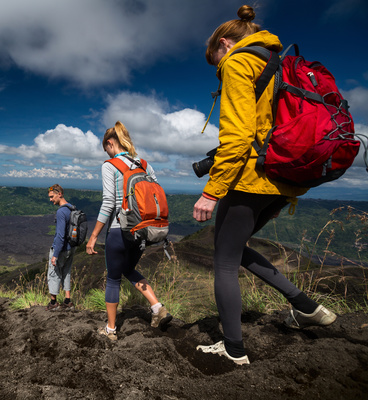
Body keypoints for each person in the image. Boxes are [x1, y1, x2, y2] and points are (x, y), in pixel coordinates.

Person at [193, 5, 336, 365]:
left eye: (216, 62)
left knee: (224, 261)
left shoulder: (239, 63)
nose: (218, 72)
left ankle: (233, 349)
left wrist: (212, 190)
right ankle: (306, 307)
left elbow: (238, 136)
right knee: (235, 248)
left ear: (224, 44)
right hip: (284, 180)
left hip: (252, 178)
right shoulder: (278, 62)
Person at [86, 121, 172, 340]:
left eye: (105, 148)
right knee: (128, 269)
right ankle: (157, 308)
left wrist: (94, 236)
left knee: (114, 279)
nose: (106, 152)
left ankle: (111, 330)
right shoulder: (145, 165)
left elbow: (108, 204)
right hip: (143, 231)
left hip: (119, 230)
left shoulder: (109, 165)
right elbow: (156, 196)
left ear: (110, 143)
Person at [45, 184, 77, 310]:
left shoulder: (61, 212)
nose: (50, 199)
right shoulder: (72, 208)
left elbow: (60, 236)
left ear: (60, 194)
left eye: (52, 197)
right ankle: (68, 301)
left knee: (53, 273)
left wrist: (55, 255)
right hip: (71, 248)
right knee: (66, 272)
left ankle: (53, 303)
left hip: (61, 249)